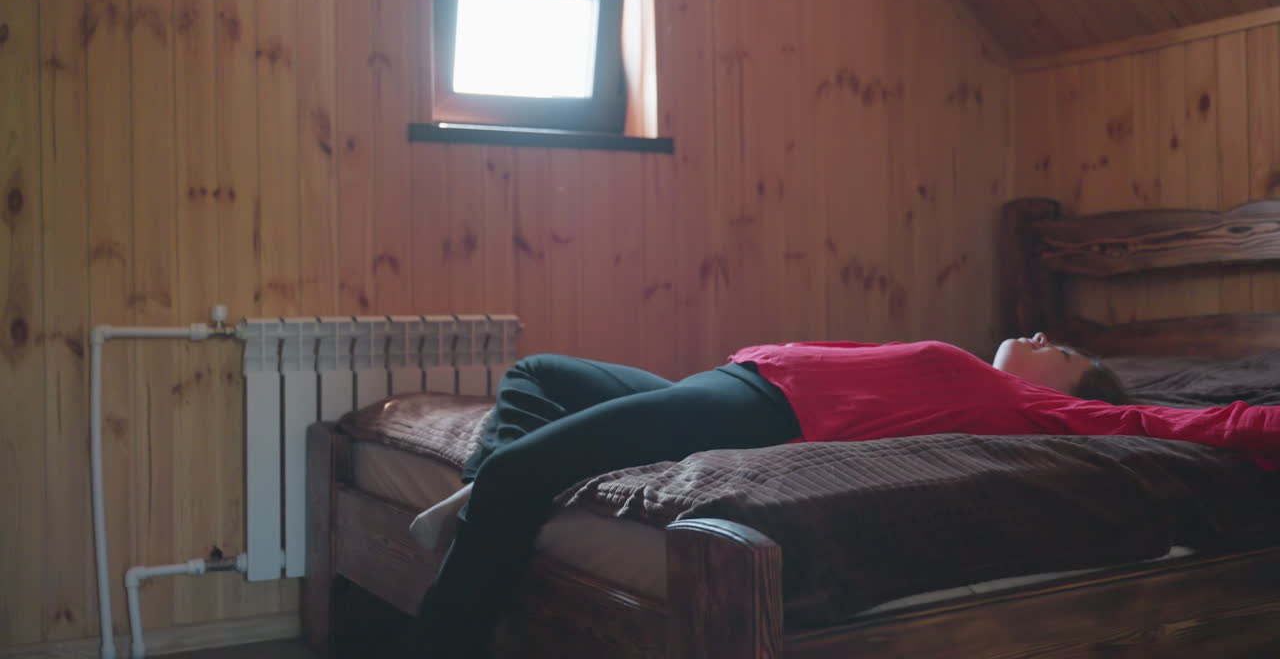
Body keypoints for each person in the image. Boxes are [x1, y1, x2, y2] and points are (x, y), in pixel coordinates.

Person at [409, 334, 1278, 657]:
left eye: (1061, 343)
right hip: (735, 376)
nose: (1039, 333)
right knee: (538, 374)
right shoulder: (989, 372)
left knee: (528, 473)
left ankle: (455, 610)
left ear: (1079, 385)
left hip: (765, 406)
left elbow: (1196, 425)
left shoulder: (1041, 406)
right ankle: (489, 493)